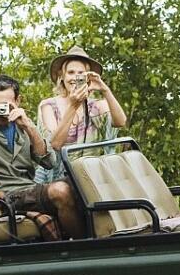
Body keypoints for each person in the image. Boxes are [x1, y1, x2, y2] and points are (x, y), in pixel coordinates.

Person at [0, 74, 82, 239]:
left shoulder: (23, 124)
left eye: (6, 105)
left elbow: (50, 162)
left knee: (79, 183)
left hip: (28, 191)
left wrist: (28, 126)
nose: (1, 111)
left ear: (18, 101)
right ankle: (82, 248)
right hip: (0, 198)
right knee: (60, 190)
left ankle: (102, 238)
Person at [36, 46, 128, 181]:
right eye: (71, 72)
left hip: (90, 175)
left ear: (88, 78)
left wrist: (105, 90)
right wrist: (74, 105)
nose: (75, 78)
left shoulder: (96, 105)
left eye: (81, 74)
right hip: (56, 177)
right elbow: (54, 144)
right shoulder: (48, 105)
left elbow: (121, 122)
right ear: (62, 76)